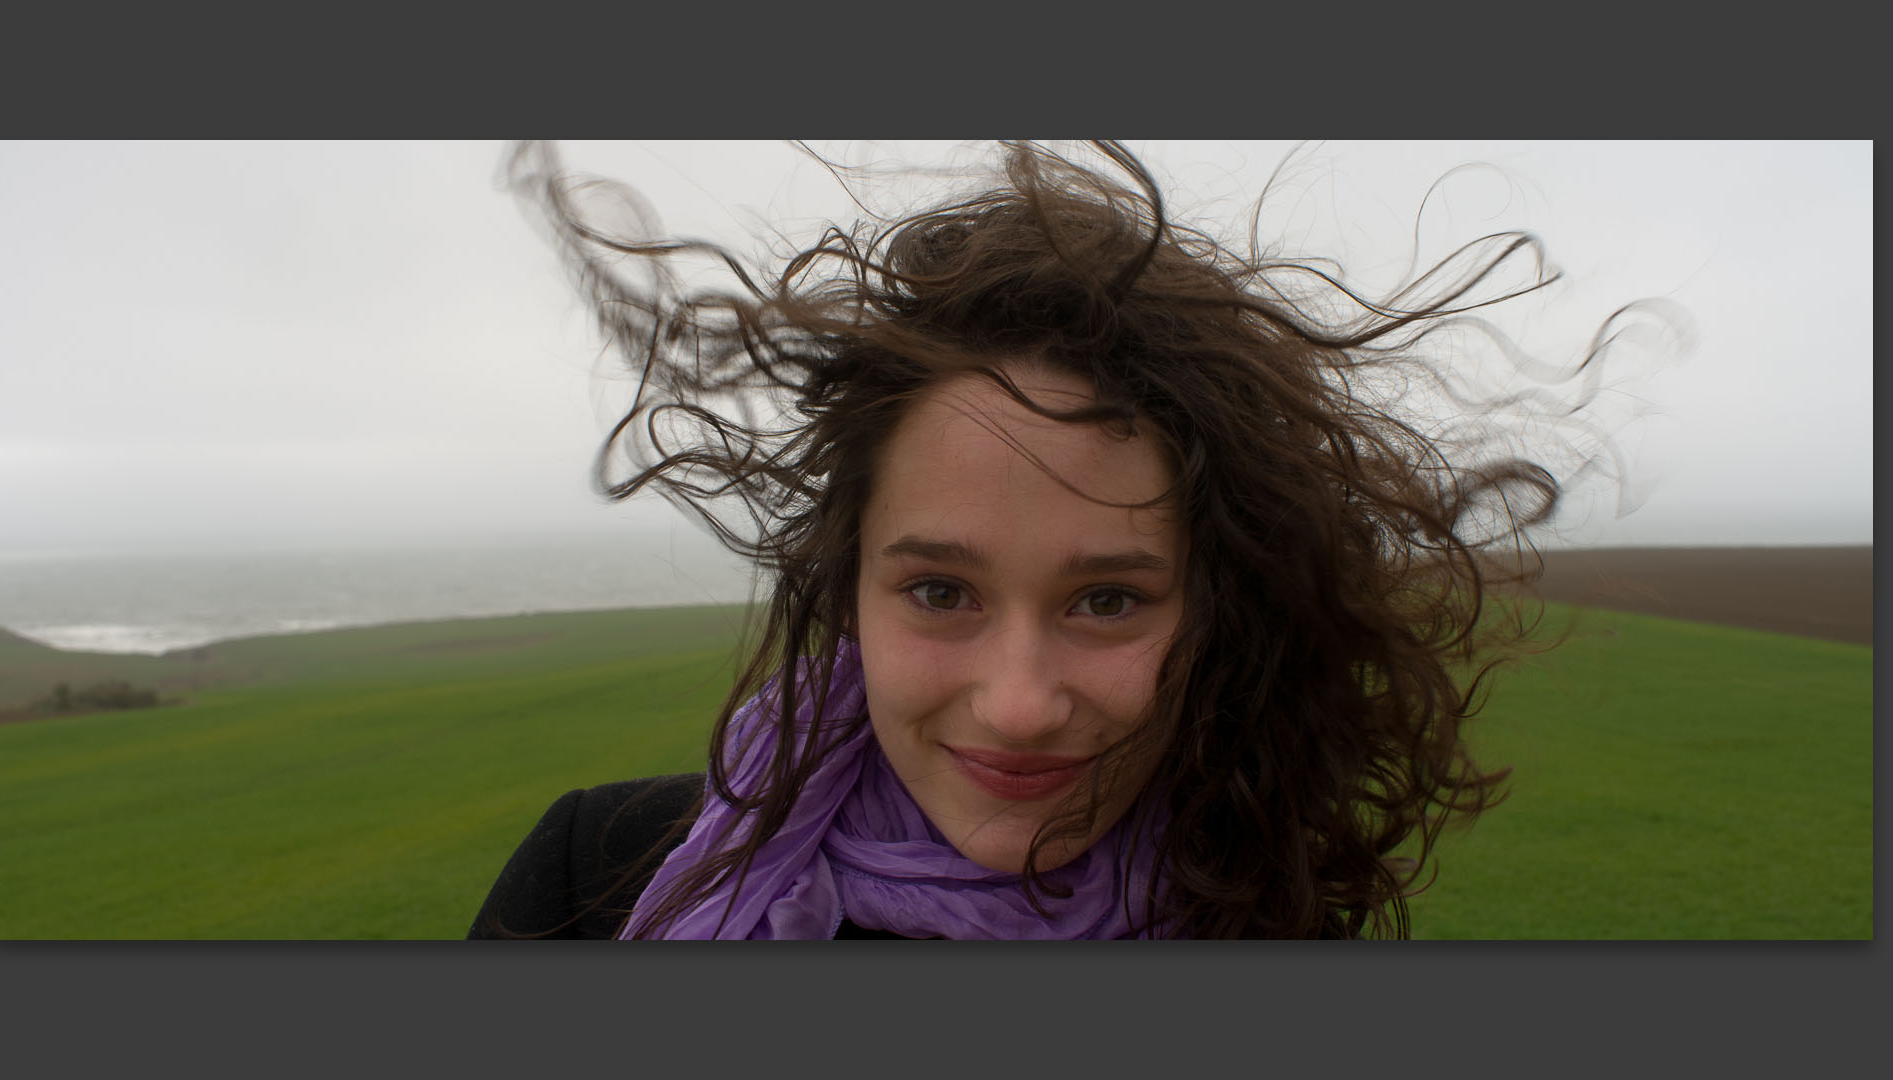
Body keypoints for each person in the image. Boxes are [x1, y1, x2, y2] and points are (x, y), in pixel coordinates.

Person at [469, 140, 1647, 939]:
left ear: (1221, 608)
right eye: (939, 591)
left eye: (1108, 601)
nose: (1021, 706)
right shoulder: (593, 883)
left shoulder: (1270, 921)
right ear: (849, 589)